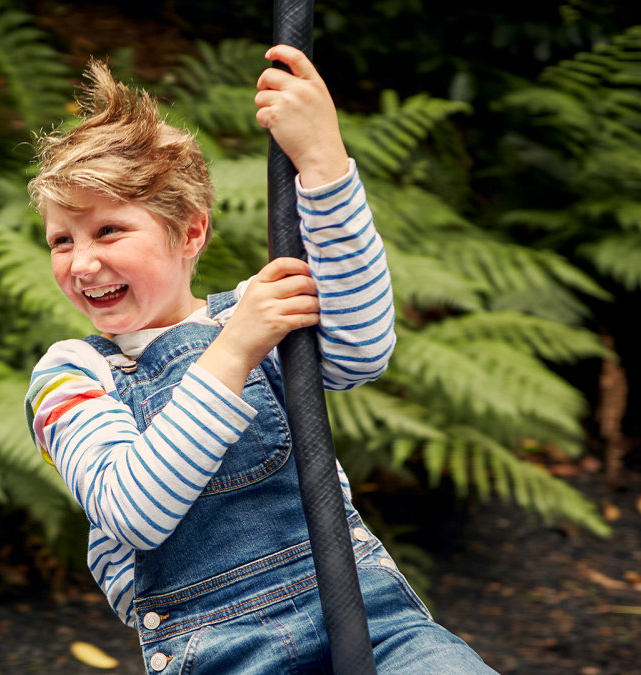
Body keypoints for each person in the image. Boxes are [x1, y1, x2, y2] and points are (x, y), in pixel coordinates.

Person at [24, 46, 495, 673]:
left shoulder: (253, 309)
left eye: (109, 231)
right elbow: (131, 510)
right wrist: (235, 351)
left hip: (363, 611)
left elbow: (361, 350)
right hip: (215, 647)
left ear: (190, 233)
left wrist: (323, 162)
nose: (81, 263)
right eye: (62, 239)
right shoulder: (70, 375)